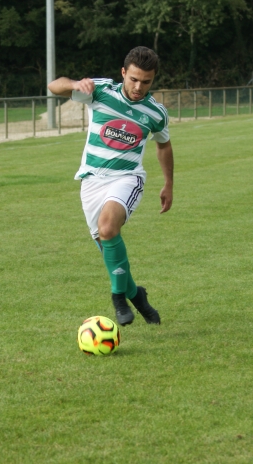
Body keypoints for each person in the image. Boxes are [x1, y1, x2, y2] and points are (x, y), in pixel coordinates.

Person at [47, 46, 173, 326]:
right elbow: (54, 86)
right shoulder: (101, 90)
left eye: (146, 82)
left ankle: (118, 298)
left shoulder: (156, 113)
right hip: (92, 180)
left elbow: (164, 145)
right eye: (134, 79)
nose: (139, 87)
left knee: (107, 228)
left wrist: (168, 184)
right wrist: (74, 84)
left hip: (127, 178)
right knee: (108, 248)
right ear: (123, 72)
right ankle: (137, 296)